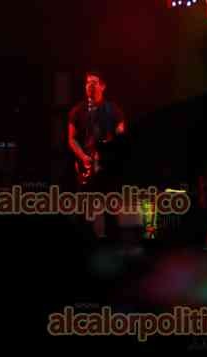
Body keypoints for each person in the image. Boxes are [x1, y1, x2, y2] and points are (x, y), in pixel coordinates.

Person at [67, 70, 126, 239]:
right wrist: (83, 157)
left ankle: (112, 243)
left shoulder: (113, 110)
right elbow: (71, 139)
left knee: (110, 209)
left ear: (103, 86)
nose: (90, 85)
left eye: (94, 82)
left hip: (106, 165)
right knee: (83, 211)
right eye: (87, 82)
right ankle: (84, 242)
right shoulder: (77, 110)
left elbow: (121, 134)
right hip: (85, 165)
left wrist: (111, 145)